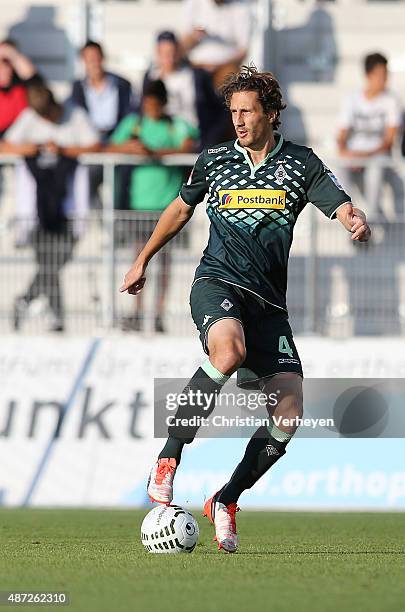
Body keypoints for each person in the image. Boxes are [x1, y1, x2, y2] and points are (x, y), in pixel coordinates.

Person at [120, 66, 370, 552]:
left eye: (247, 111)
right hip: (216, 282)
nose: (237, 120)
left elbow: (338, 204)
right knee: (227, 352)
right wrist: (142, 258)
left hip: (269, 305)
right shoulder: (214, 161)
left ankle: (226, 499)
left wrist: (353, 219)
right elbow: (178, 209)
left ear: (271, 115)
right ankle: (169, 456)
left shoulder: (300, 164)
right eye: (233, 111)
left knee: (290, 412)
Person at [0, 82, 99, 332]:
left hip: (70, 206)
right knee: (49, 262)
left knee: (53, 262)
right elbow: (6, 145)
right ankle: (56, 318)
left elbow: (95, 145)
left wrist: (64, 150)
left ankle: (27, 300)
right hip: (37, 208)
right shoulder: (28, 118)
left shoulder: (74, 115)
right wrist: (28, 148)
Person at [106, 79, 199, 332]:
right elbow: (110, 146)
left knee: (165, 262)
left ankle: (157, 314)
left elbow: (189, 146)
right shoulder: (134, 124)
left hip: (168, 207)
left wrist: (156, 154)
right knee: (139, 259)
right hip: (138, 206)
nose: (151, 109)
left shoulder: (174, 125)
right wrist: (131, 148)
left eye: (155, 104)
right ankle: (137, 313)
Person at [337, 52, 403, 221]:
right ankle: (350, 218)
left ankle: (371, 219)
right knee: (339, 168)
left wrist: (364, 156)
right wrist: (346, 152)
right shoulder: (352, 99)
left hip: (378, 156)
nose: (384, 79)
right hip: (356, 155)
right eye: (380, 75)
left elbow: (389, 141)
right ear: (368, 75)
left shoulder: (391, 100)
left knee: (375, 169)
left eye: (385, 75)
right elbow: (342, 135)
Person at [70, 40, 134, 207]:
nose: (94, 63)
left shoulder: (122, 84)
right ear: (83, 61)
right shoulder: (77, 88)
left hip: (117, 142)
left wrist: (117, 142)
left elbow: (129, 117)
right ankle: (101, 225)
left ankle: (119, 225)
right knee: (86, 183)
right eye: (89, 59)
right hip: (92, 145)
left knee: (121, 185)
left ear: (103, 58)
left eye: (96, 58)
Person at [144, 31, 230, 148]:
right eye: (165, 54)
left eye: (173, 53)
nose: (170, 59)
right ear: (157, 53)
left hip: (193, 139)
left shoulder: (196, 76)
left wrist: (211, 139)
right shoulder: (151, 77)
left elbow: (220, 110)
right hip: (162, 140)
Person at [181, 0, 252, 88]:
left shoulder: (240, 6)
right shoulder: (193, 3)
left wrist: (217, 66)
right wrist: (194, 36)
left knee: (231, 78)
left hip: (226, 69)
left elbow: (243, 52)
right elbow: (183, 46)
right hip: (196, 68)